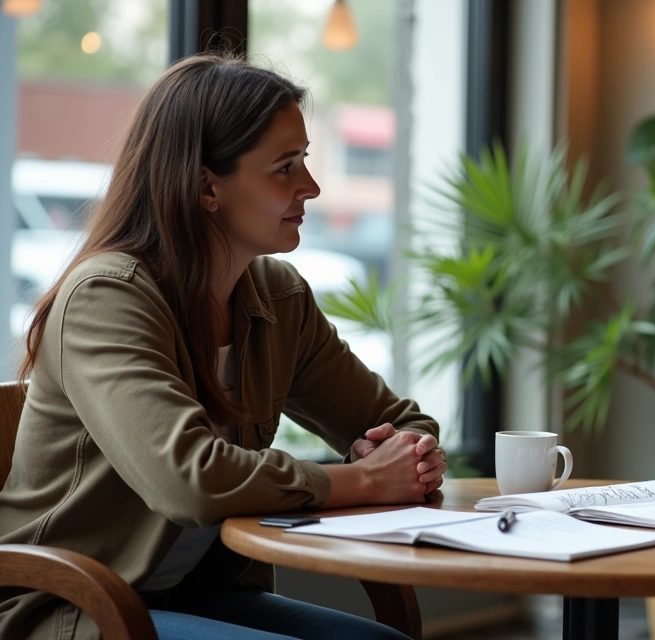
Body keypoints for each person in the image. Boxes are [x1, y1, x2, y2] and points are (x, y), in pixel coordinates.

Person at [0, 54, 445, 640]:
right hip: (75, 605)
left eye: (305, 161)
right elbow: (190, 481)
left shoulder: (278, 298)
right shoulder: (104, 298)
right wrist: (362, 481)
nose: (310, 187)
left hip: (200, 595)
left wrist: (407, 452)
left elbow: (398, 420)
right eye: (284, 168)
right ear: (207, 185)